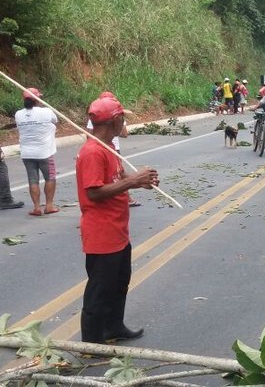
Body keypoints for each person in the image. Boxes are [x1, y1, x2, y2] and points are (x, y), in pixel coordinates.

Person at [77, 96, 159, 344]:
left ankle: (114, 327)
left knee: (119, 282)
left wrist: (139, 181)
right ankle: (92, 343)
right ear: (115, 120)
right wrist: (132, 181)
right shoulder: (92, 151)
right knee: (99, 289)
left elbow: (117, 179)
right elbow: (94, 192)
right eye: (122, 117)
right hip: (102, 234)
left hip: (118, 231)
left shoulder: (108, 147)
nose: (124, 122)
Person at [15, 88, 59, 216]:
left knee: (32, 180)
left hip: (27, 153)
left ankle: (36, 207)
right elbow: (55, 121)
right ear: (37, 100)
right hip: (45, 152)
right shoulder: (46, 112)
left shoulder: (18, 114)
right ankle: (49, 205)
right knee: (50, 177)